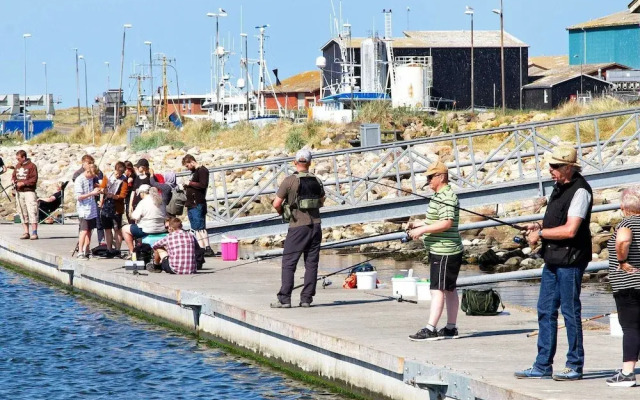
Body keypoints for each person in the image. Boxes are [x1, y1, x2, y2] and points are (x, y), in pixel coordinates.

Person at [515, 145, 593, 381]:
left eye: (556, 166)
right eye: (550, 166)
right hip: (552, 259)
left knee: (570, 312)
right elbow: (555, 221)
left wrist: (540, 235)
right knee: (545, 310)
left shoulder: (581, 191)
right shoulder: (558, 187)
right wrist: (538, 227)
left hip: (571, 260)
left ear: (569, 167)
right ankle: (542, 365)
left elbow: (570, 230)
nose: (551, 170)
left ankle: (574, 365)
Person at [407, 160, 463, 341]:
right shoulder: (440, 195)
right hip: (444, 249)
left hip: (444, 250)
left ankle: (430, 329)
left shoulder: (447, 196)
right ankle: (450, 328)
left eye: (431, 177)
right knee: (449, 289)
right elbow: (439, 219)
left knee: (438, 289)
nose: (428, 181)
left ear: (441, 177)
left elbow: (447, 223)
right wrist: (419, 224)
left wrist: (422, 230)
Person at [271, 149, 325, 308]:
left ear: (295, 162)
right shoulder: (317, 180)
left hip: (297, 227)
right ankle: (306, 299)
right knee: (311, 263)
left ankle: (285, 299)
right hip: (316, 225)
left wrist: (283, 213)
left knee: (289, 262)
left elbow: (276, 204)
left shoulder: (289, 181)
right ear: (309, 163)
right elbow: (322, 201)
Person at [605, 186, 640, 387]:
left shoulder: (626, 222)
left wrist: (622, 261)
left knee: (631, 327)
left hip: (629, 284)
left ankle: (627, 373)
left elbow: (623, 240)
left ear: (623, 207)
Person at [122, 185, 167, 259]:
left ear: (142, 193)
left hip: (147, 229)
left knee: (125, 229)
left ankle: (132, 252)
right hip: (161, 228)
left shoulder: (143, 202)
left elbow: (135, 216)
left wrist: (131, 213)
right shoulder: (161, 201)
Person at [181, 154, 214, 257]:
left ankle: (207, 247)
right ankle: (202, 248)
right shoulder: (194, 172)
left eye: (187, 166)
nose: (187, 168)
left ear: (192, 162)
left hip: (198, 203)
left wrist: (190, 183)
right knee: (196, 227)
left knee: (200, 227)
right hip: (191, 203)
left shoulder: (202, 170)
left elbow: (203, 185)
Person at [100, 161, 128, 255]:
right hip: (106, 205)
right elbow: (102, 187)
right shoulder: (107, 176)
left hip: (117, 207)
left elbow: (123, 195)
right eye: (117, 173)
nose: (118, 175)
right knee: (107, 228)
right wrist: (103, 190)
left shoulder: (124, 180)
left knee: (117, 228)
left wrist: (114, 196)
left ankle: (117, 249)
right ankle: (109, 249)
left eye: (120, 174)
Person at [74, 164, 100, 260]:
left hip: (92, 208)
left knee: (90, 230)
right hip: (83, 209)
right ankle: (80, 251)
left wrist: (97, 190)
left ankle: (86, 250)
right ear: (88, 172)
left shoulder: (91, 179)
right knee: (84, 231)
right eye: (92, 175)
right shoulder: (79, 180)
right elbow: (79, 197)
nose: (93, 177)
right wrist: (92, 193)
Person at [11, 150, 39, 240]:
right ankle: (26, 232)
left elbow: (34, 179)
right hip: (19, 192)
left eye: (19, 159)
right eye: (17, 159)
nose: (17, 160)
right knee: (22, 212)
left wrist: (23, 183)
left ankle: (34, 232)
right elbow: (14, 176)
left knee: (32, 210)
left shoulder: (32, 166)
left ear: (24, 157)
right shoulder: (18, 166)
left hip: (29, 191)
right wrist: (13, 181)